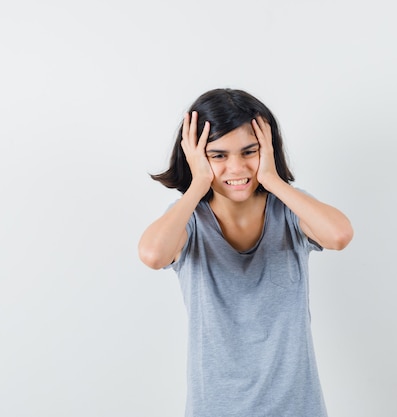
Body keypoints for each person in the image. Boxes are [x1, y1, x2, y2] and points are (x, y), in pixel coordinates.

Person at [138, 88, 353, 417]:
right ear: (195, 156)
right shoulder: (188, 220)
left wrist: (272, 178)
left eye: (249, 152)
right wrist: (198, 183)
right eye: (219, 155)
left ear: (267, 149)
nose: (236, 167)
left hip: (296, 406)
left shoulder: (290, 211)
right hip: (215, 407)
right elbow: (153, 255)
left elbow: (339, 235)